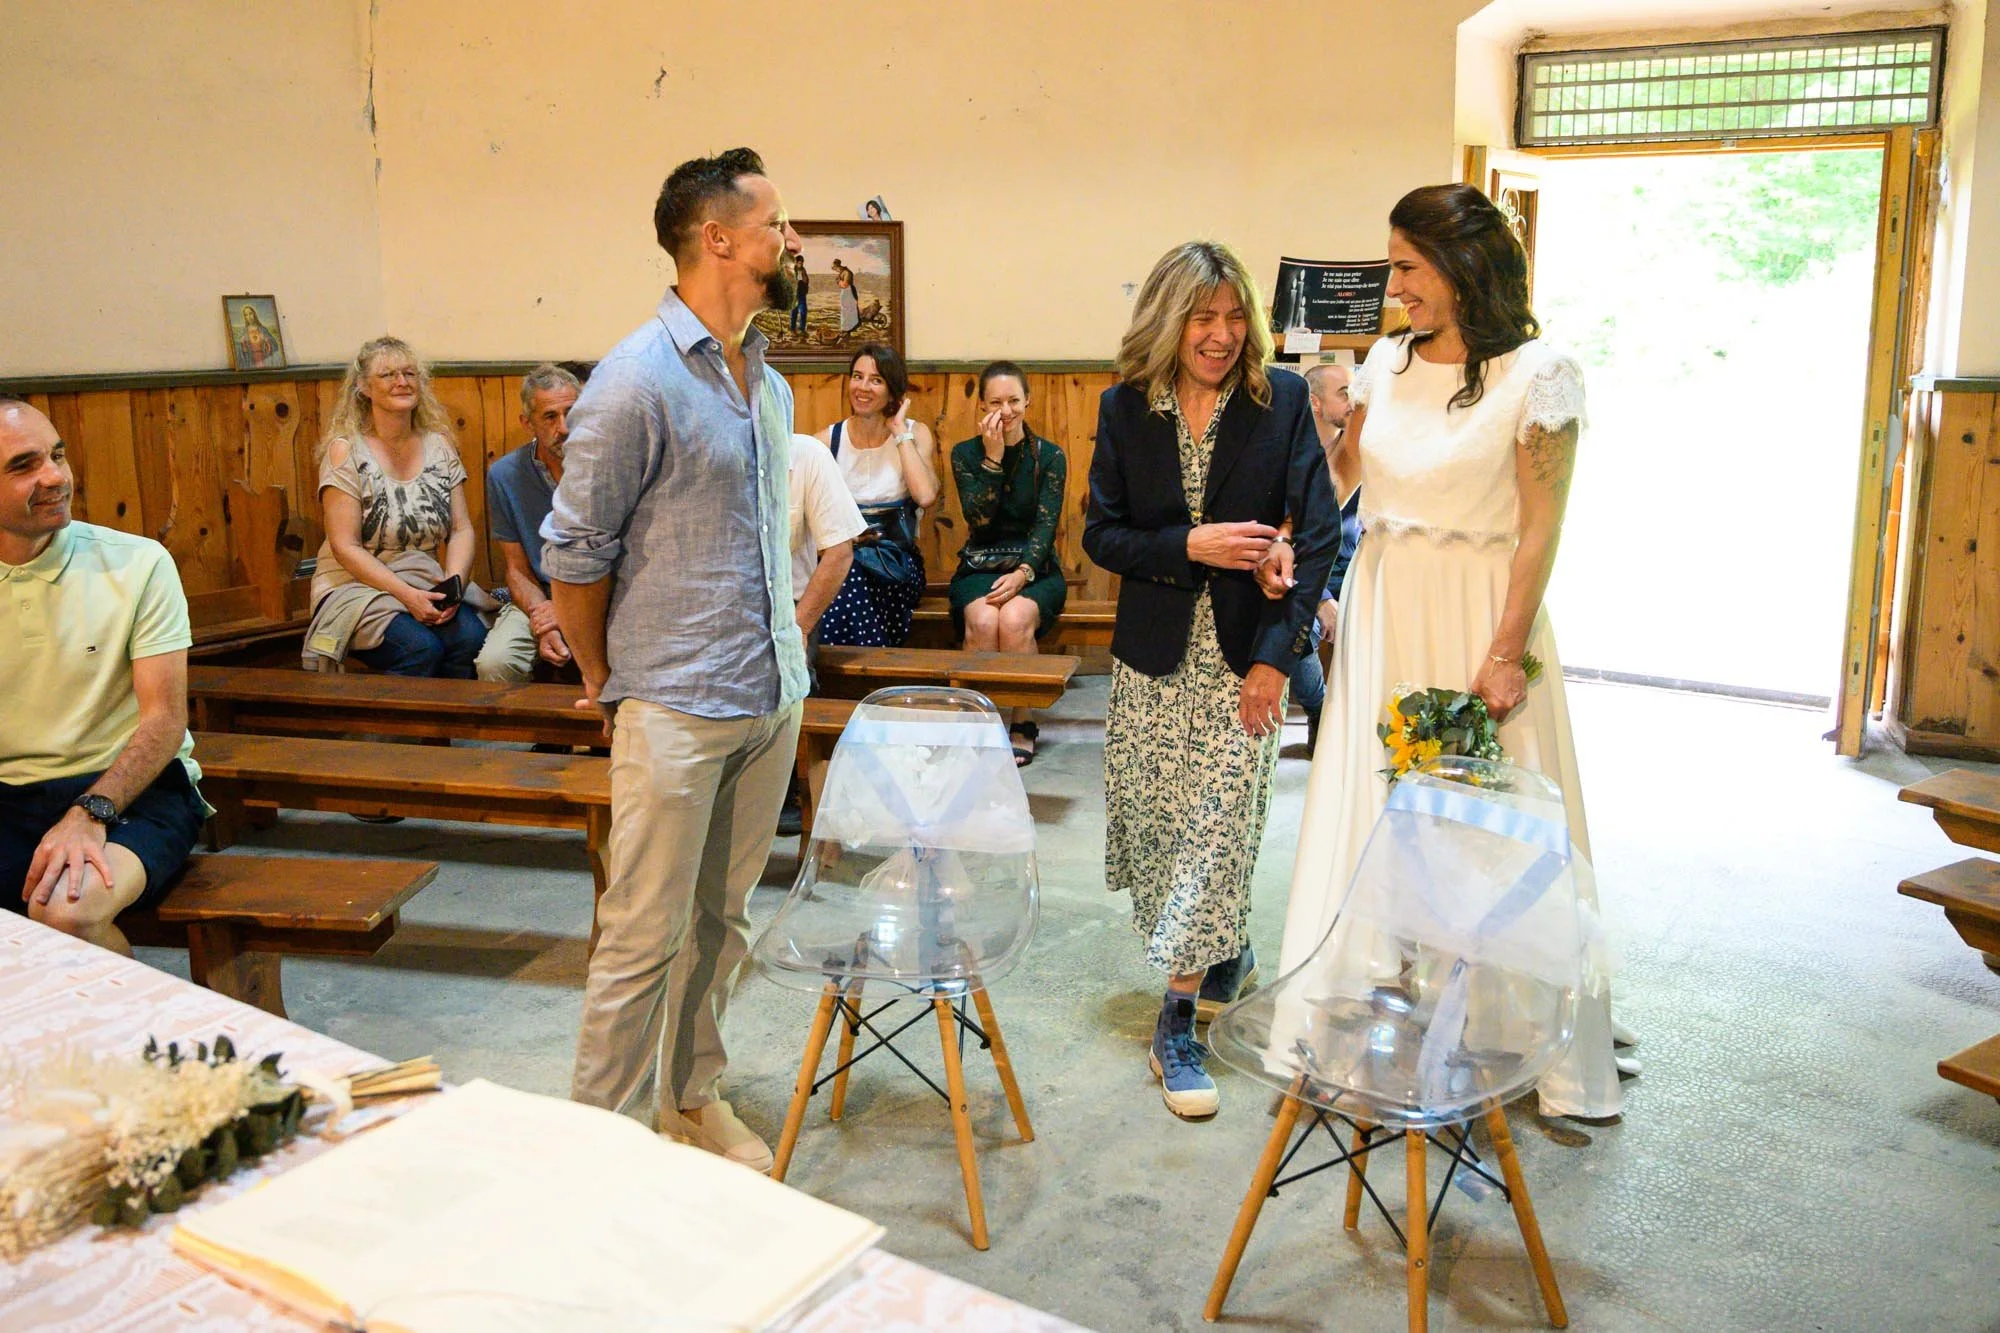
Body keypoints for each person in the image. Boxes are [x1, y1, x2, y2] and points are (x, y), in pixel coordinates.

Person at [1268, 183, 1630, 1121]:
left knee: (1489, 825)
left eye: (1407, 268)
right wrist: (1292, 539)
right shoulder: (1385, 363)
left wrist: (1506, 651)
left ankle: (1521, 1037)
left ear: (1463, 266)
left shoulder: (1539, 375)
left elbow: (1542, 527)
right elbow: (1346, 474)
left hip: (1482, 613)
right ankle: (1366, 1019)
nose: (1394, 289)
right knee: (1374, 807)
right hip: (1386, 608)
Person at [544, 146, 806, 1172]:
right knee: (641, 932)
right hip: (675, 702)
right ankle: (597, 1146)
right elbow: (575, 553)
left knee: (722, 921)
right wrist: (603, 679)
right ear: (719, 238)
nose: (791, 240)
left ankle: (690, 1095)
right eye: (777, 223)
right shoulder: (634, 381)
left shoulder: (767, 382)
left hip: (768, 692)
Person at [1083, 241, 1338, 1120]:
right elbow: (1102, 535)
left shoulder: (1282, 400)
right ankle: (1226, 952)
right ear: (1168, 320)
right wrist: (1190, 545)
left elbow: (1318, 536)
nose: (1221, 335)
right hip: (1152, 659)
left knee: (1219, 830)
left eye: (1235, 318)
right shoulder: (1125, 408)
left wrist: (1276, 657)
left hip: (1245, 662)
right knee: (1162, 833)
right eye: (1202, 318)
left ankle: (1177, 1023)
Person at [0, 398, 207, 954]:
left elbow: (165, 721)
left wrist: (90, 811)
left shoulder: (137, 564)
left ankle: (131, 1016)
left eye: (57, 455)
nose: (54, 477)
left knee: (68, 910)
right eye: (23, 466)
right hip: (9, 794)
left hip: (132, 789)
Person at [303, 336, 491, 677]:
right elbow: (345, 547)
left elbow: (461, 528)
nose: (401, 381)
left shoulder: (439, 446)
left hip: (423, 577)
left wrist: (453, 587)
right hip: (356, 586)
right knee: (420, 647)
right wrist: (406, 595)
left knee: (471, 638)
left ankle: (447, 714)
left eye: (409, 373)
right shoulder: (346, 452)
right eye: (388, 374)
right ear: (363, 387)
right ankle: (390, 715)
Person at [948, 360, 1068, 766]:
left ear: (1027, 401)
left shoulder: (1050, 456)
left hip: (1036, 567)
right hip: (980, 564)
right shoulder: (965, 454)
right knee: (983, 621)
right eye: (996, 402)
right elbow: (979, 522)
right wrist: (993, 460)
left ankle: (1022, 719)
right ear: (982, 405)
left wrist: (1023, 573)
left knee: (1014, 619)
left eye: (1014, 400)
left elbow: (1046, 526)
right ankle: (979, 722)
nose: (1006, 410)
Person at [774, 429, 868, 837]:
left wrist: (799, 627)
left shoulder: (808, 454)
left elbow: (840, 552)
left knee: (792, 678)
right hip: (724, 610)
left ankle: (791, 794)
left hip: (791, 606)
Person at [814, 342, 939, 647]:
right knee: (846, 572)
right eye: (857, 377)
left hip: (896, 563)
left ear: (893, 392)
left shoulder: (915, 433)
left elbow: (925, 496)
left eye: (876, 380)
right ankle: (872, 660)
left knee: (847, 579)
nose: (863, 387)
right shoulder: (826, 442)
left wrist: (899, 432)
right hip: (841, 561)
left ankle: (834, 669)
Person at [474, 363, 582, 683]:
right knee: (495, 663)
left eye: (571, 413)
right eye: (550, 417)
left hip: (601, 594)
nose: (564, 427)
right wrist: (543, 619)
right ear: (527, 422)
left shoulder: (610, 467)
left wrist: (566, 610)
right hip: (537, 595)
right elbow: (517, 569)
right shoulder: (505, 475)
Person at [1285, 362, 1363, 757]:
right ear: (1315, 403)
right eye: (1344, 393)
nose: (1354, 401)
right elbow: (1291, 535)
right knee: (1294, 624)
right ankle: (1321, 710)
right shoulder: (1291, 455)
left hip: (1356, 570)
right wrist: (1321, 597)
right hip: (1306, 572)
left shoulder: (1359, 452)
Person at [834, 259, 861, 335]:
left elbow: (845, 285)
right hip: (845, 292)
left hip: (849, 292)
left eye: (835, 268)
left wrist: (839, 281)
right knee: (845, 311)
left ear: (837, 266)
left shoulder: (847, 273)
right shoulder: (842, 273)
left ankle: (848, 329)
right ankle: (845, 328)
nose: (835, 270)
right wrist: (839, 282)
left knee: (848, 310)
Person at [787, 254, 810, 337]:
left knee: (803, 312)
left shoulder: (803, 270)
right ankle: (792, 329)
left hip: (801, 294)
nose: (801, 264)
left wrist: (802, 274)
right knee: (794, 312)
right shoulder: (792, 270)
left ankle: (802, 329)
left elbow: (805, 281)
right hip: (794, 295)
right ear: (796, 262)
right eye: (800, 263)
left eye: (802, 262)